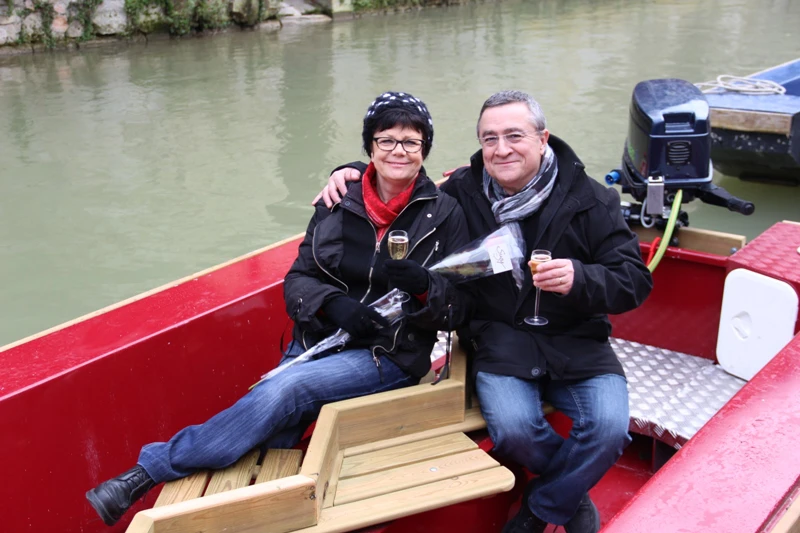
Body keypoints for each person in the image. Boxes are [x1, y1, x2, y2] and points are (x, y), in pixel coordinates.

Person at [86, 91, 472, 527]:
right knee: (278, 429)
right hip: (318, 339)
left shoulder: (444, 214)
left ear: (425, 150)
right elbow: (298, 280)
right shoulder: (337, 202)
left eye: (410, 142)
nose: (398, 151)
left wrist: (424, 289)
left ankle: (147, 472)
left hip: (386, 353)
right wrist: (335, 305)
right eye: (386, 140)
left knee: (286, 392)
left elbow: (457, 307)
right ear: (369, 147)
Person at [318, 90, 653, 533]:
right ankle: (570, 502)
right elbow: (404, 181)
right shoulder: (461, 192)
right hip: (501, 340)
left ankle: (543, 507)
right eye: (489, 138)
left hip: (578, 340)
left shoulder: (593, 200)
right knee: (514, 430)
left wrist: (580, 278)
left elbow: (635, 281)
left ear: (542, 139)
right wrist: (352, 171)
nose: (500, 149)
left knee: (610, 429)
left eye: (514, 135)